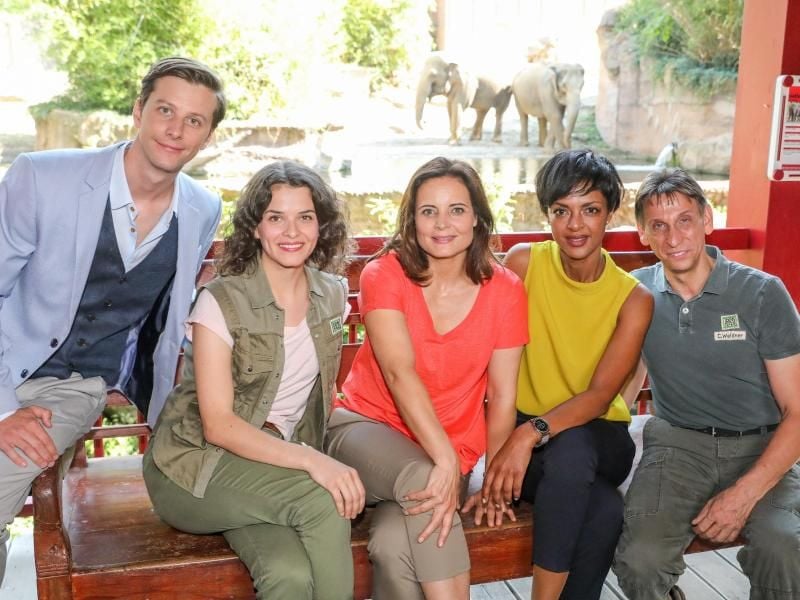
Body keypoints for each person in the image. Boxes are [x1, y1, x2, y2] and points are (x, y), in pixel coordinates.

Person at [0, 56, 226, 585]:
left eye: (194, 120)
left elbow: (166, 319)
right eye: (165, 110)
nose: (176, 129)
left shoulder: (203, 207)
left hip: (75, 385)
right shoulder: (43, 177)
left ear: (208, 136)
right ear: (138, 111)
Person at [143, 160, 365, 599]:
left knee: (288, 575)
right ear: (256, 228)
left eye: (305, 217)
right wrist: (312, 460)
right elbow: (218, 425)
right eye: (275, 217)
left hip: (266, 467)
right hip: (193, 467)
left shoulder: (332, 297)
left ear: (322, 226)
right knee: (323, 499)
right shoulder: (221, 301)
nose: (291, 232)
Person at [325, 156, 528, 600]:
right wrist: (446, 461)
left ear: (477, 218)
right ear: (411, 220)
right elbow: (399, 373)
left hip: (448, 451)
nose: (442, 223)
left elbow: (503, 395)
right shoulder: (385, 274)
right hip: (365, 428)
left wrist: (492, 481)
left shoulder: (506, 289)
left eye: (456, 209)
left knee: (396, 545)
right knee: (424, 482)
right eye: (428, 211)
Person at [612, 168, 800, 600]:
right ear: (643, 234)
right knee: (640, 559)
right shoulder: (637, 294)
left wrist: (744, 494)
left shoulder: (762, 293)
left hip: (762, 443)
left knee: (784, 545)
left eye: (684, 220)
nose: (673, 236)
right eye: (658, 225)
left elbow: (797, 411)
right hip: (678, 447)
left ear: (706, 220)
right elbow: (622, 386)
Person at [479, 149, 654, 600]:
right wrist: (509, 443)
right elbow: (484, 354)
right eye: (562, 211)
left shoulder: (633, 299)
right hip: (537, 453)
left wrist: (528, 433)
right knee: (604, 509)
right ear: (549, 215)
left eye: (590, 210)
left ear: (610, 215)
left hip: (600, 439)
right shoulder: (523, 264)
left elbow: (599, 396)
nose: (575, 225)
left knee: (574, 446)